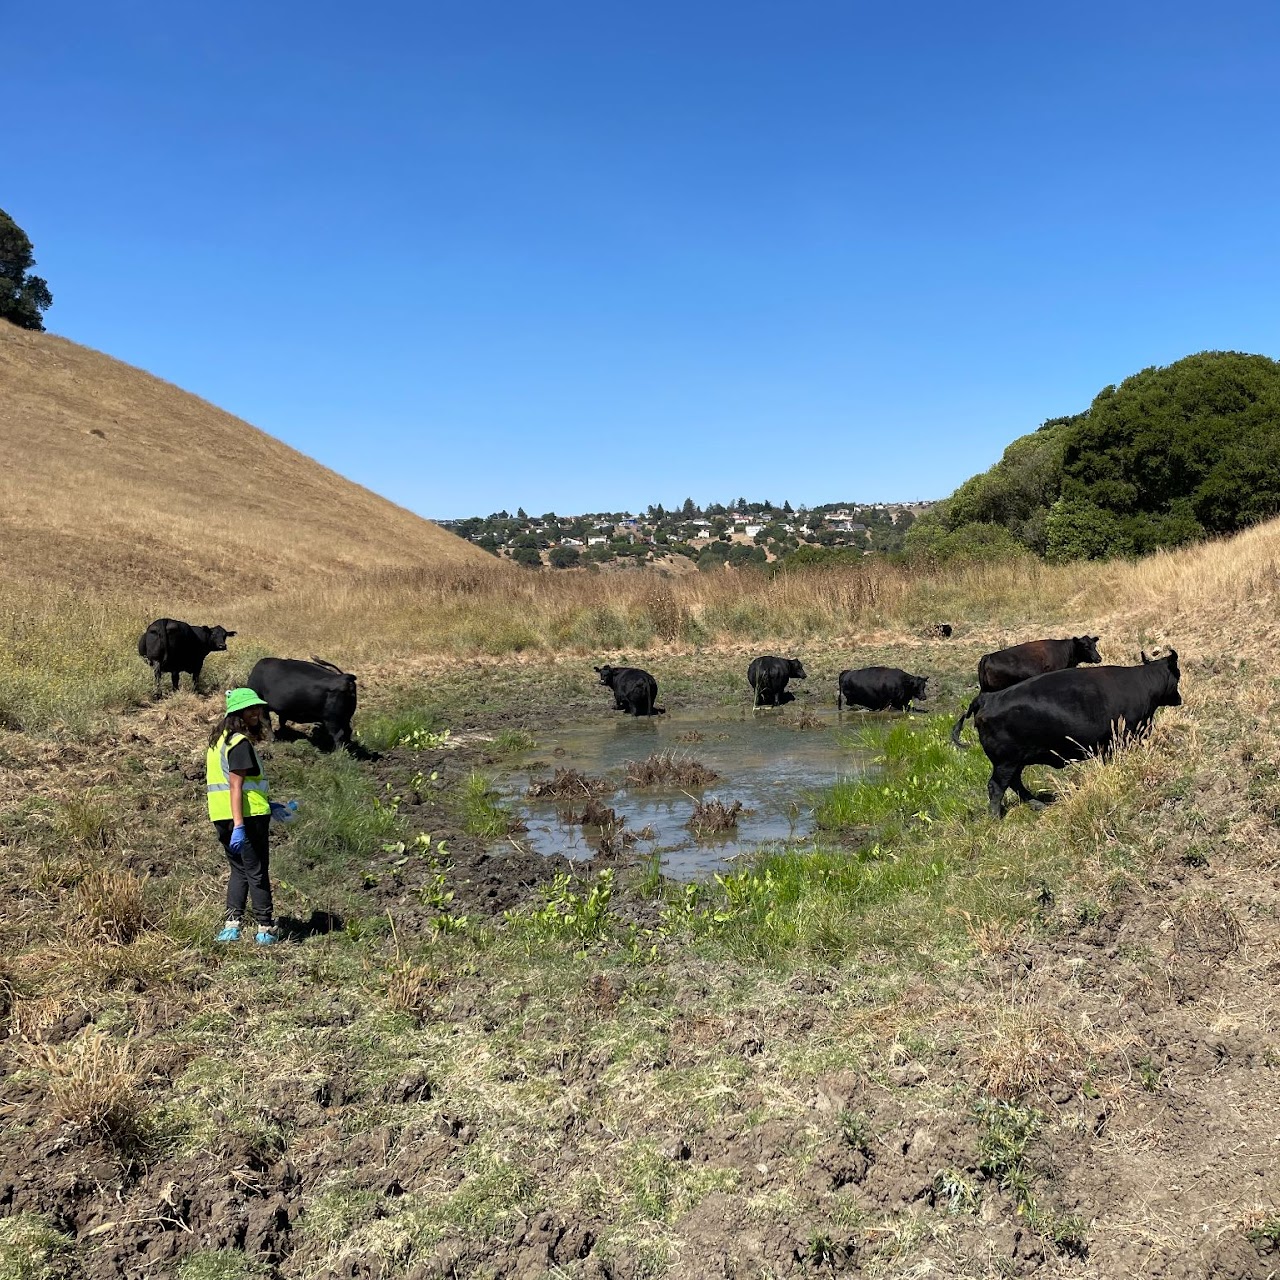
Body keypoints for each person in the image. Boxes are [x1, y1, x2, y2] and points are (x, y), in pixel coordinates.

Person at [206, 688, 285, 945]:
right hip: (246, 818)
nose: (256, 713)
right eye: (250, 709)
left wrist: (270, 804)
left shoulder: (219, 741)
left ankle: (232, 925)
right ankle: (265, 927)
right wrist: (240, 824)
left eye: (258, 708)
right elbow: (235, 786)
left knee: (239, 870)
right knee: (257, 871)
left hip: (222, 816)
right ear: (237, 713)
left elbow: (241, 786)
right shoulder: (240, 743)